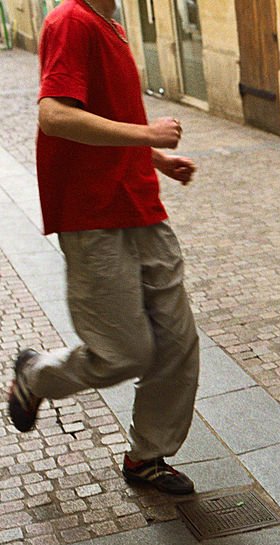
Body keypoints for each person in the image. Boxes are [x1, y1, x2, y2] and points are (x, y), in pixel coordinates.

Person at [6, 0, 200, 495]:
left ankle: (146, 457)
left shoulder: (110, 25)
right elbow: (55, 116)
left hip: (140, 203)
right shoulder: (70, 20)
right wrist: (147, 133)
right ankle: (36, 375)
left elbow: (102, 114)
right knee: (124, 352)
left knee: (177, 343)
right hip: (92, 214)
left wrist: (153, 157)